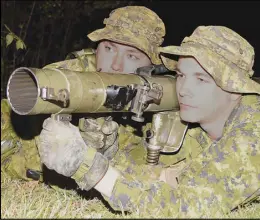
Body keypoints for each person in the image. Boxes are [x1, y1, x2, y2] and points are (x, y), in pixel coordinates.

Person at [37, 25, 260, 217]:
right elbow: (161, 178)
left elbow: (186, 207)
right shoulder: (199, 126)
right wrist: (105, 155)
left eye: (202, 80)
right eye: (182, 75)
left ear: (235, 88)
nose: (184, 89)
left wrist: (91, 168)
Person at [1, 6, 166, 182]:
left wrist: (106, 155)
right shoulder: (67, 79)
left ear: (151, 68)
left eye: (132, 56)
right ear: (97, 48)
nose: (115, 65)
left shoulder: (158, 99)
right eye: (109, 48)